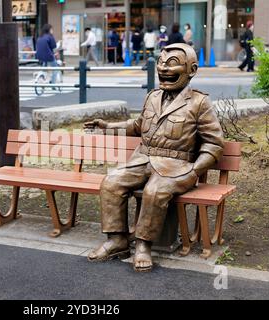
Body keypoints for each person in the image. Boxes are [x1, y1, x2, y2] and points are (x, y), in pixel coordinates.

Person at [84, 43, 224, 272]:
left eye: (172, 64)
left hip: (178, 166)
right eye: (161, 63)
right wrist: (108, 125)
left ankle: (143, 245)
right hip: (143, 159)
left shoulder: (199, 103)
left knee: (154, 190)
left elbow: (214, 144)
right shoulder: (153, 96)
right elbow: (138, 126)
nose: (164, 69)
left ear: (192, 69)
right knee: (111, 182)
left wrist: (195, 170)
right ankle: (117, 240)